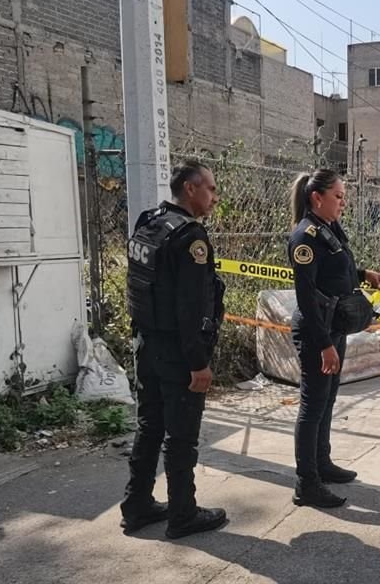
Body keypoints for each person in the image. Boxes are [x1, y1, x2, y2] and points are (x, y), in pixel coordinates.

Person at [120, 160, 228, 539]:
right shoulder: (190, 238)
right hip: (177, 351)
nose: (215, 197)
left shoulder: (150, 222)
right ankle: (183, 513)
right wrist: (199, 363)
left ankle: (137, 506)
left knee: (150, 427)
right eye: (211, 189)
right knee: (181, 437)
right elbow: (190, 308)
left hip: (145, 343)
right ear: (191, 189)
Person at [288, 168, 380, 508]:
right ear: (317, 198)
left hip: (334, 327)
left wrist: (363, 273)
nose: (344, 202)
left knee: (327, 400)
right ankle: (306, 482)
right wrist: (325, 345)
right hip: (318, 330)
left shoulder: (329, 228)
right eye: (339, 197)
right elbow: (306, 296)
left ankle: (322, 463)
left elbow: (335, 269)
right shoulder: (305, 237)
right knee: (312, 405)